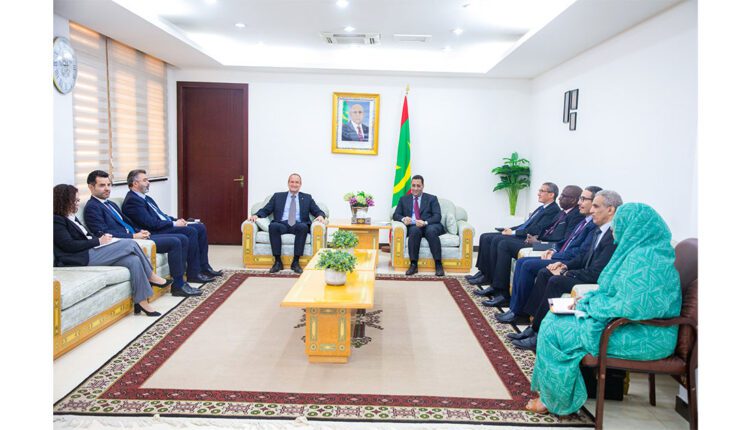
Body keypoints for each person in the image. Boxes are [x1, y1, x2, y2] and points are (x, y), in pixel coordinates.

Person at [524, 202, 681, 416]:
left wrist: (590, 306)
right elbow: (614, 291)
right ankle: (554, 392)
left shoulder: (649, 260)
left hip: (647, 335)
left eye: (619, 224)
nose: (614, 229)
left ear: (635, 227)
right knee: (553, 318)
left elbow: (632, 306)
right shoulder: (637, 251)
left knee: (556, 331)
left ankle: (554, 400)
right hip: (627, 325)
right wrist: (588, 300)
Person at [509, 190, 622, 352]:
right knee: (545, 272)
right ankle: (533, 327)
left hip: (594, 279)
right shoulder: (600, 230)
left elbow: (597, 272)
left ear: (610, 210)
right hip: (584, 272)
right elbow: (583, 257)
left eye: (596, 206)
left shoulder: (612, 236)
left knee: (556, 281)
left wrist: (565, 273)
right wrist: (564, 265)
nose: (591, 210)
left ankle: (540, 334)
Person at [53, 184, 171, 317]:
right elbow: (68, 245)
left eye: (78, 200)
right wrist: (98, 242)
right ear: (63, 201)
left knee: (133, 260)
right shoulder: (56, 220)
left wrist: (103, 239)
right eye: (75, 201)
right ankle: (151, 276)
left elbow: (87, 236)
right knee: (130, 244)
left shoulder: (71, 217)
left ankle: (142, 302)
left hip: (91, 250)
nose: (77, 203)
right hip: (79, 257)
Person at [83, 170, 201, 297]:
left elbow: (127, 223)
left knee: (182, 238)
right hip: (127, 242)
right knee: (175, 241)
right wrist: (133, 236)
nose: (107, 188)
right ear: (91, 187)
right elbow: (103, 233)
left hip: (137, 236)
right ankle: (178, 286)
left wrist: (139, 230)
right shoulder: (92, 207)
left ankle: (182, 282)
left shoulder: (110, 204)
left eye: (108, 185)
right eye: (102, 185)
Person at [495, 186, 602, 324]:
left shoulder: (591, 224)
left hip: (568, 260)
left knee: (527, 265)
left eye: (583, 199)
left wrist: (557, 257)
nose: (579, 203)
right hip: (559, 253)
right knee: (522, 262)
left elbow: (580, 253)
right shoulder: (583, 220)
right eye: (580, 198)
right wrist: (553, 250)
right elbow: (565, 241)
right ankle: (515, 309)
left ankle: (521, 313)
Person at [122, 169, 223, 284]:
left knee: (200, 227)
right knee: (190, 231)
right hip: (154, 231)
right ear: (135, 183)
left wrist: (177, 220)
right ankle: (194, 273)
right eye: (145, 180)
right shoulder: (132, 201)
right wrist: (174, 224)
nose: (148, 182)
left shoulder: (145, 198)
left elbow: (161, 215)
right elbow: (150, 223)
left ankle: (204, 267)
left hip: (161, 226)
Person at [467, 182, 561, 290]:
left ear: (551, 194)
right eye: (539, 190)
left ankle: (493, 281)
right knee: (485, 236)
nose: (538, 193)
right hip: (522, 233)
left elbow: (536, 229)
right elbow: (526, 224)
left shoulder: (553, 210)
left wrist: (513, 233)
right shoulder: (541, 208)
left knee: (497, 240)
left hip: (527, 237)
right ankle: (484, 272)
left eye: (542, 191)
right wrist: (511, 229)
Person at [247, 173, 326, 274]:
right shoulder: (278, 196)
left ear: (300, 184)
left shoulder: (307, 198)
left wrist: (320, 215)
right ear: (288, 183)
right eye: (292, 182)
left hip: (298, 224)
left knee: (303, 227)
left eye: (297, 182)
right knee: (273, 226)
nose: (294, 184)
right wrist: (256, 215)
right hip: (282, 224)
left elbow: (317, 210)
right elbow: (266, 209)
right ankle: (278, 262)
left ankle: (295, 262)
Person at [392, 175, 445, 276]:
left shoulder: (432, 198)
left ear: (422, 186)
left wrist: (425, 222)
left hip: (430, 225)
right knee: (414, 231)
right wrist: (403, 219)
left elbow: (437, 216)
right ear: (411, 186)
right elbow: (396, 215)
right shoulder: (403, 199)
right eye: (413, 185)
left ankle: (438, 264)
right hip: (414, 226)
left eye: (418, 186)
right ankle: (413, 264)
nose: (415, 188)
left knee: (431, 231)